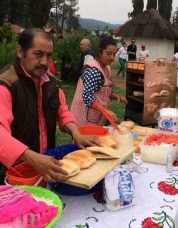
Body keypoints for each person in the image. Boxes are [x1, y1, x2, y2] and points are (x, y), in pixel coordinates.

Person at [0, 28, 100, 184]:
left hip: (45, 167)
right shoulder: (6, 85)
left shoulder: (50, 82)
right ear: (20, 51)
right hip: (14, 174)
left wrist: (76, 132)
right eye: (38, 54)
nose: (45, 62)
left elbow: (63, 113)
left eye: (49, 55)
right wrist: (32, 158)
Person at [72, 36, 127, 126]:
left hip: (97, 118)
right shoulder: (93, 71)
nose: (112, 58)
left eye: (114, 54)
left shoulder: (107, 67)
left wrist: (115, 96)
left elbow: (104, 91)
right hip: (85, 120)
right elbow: (87, 96)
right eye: (109, 53)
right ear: (100, 51)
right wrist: (104, 110)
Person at [71, 39, 96, 124]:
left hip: (84, 80)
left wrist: (82, 80)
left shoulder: (89, 54)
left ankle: (81, 117)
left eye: (82, 45)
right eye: (80, 44)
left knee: (82, 98)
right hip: (82, 79)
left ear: (88, 45)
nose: (80, 46)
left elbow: (87, 69)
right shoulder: (86, 53)